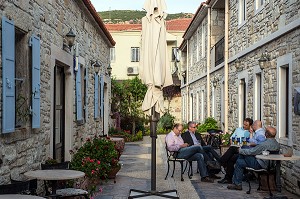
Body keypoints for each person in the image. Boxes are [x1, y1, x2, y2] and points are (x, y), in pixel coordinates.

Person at [227, 126, 280, 190]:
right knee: (239, 162)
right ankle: (237, 184)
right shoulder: (277, 144)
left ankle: (236, 183)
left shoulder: (264, 144)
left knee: (243, 150)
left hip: (260, 164)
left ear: (266, 134)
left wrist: (239, 150)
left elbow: (251, 152)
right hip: (271, 165)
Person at [218, 118, 253, 184]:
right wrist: (233, 143)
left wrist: (250, 133)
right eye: (244, 124)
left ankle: (220, 162)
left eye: (246, 125)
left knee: (232, 149)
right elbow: (231, 138)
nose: (244, 126)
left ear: (250, 126)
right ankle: (228, 178)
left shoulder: (251, 133)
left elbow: (249, 144)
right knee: (230, 158)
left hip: (244, 150)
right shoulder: (238, 129)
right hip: (236, 147)